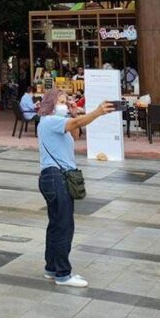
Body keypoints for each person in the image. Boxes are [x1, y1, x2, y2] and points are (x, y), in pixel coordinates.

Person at [36, 89, 116, 288]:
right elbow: (77, 124)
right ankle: (63, 274)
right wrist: (97, 112)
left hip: (54, 177)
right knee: (64, 226)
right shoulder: (49, 120)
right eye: (62, 101)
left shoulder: (55, 122)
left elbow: (75, 133)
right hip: (57, 177)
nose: (66, 103)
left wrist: (72, 112)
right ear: (51, 104)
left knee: (56, 224)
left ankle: (52, 267)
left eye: (67, 100)